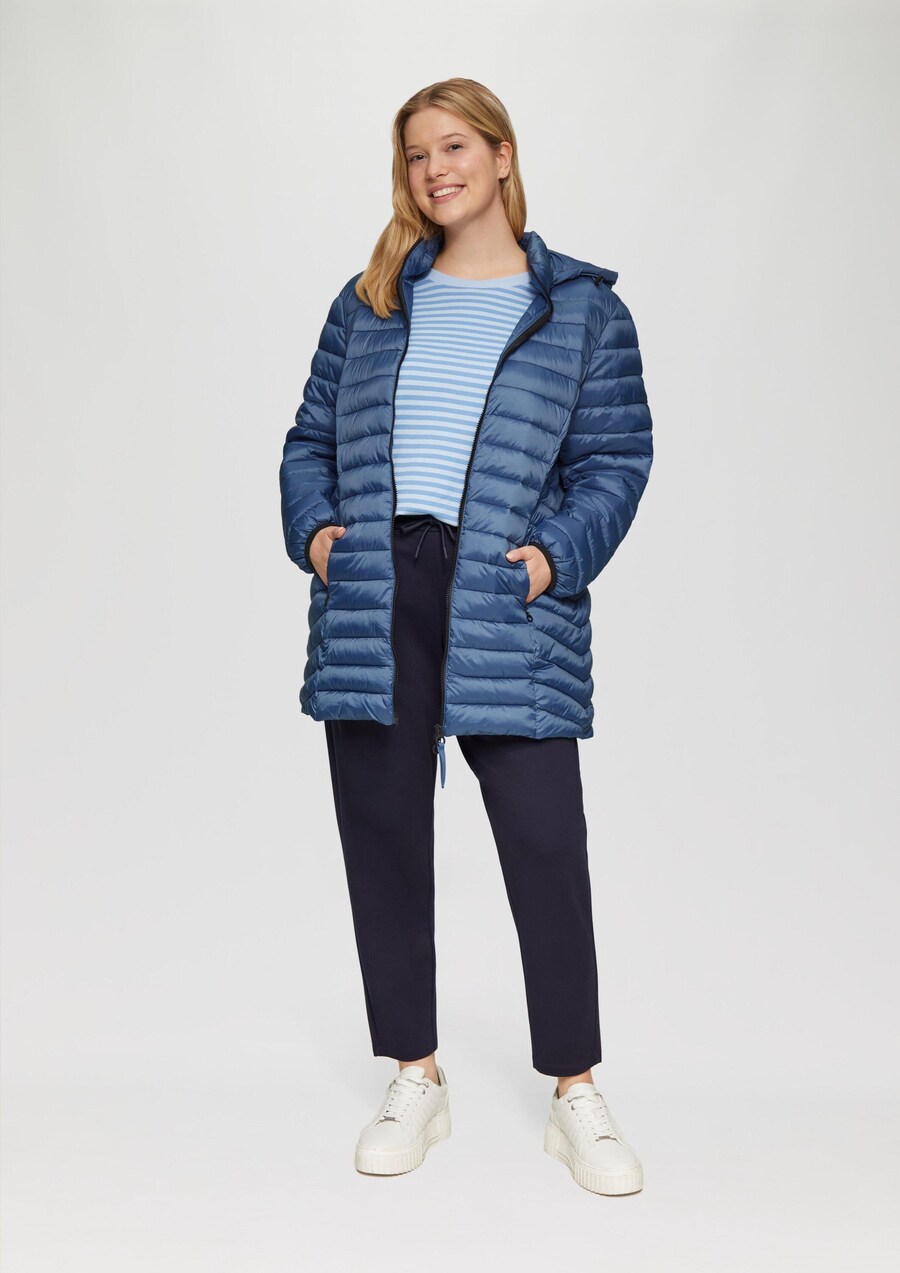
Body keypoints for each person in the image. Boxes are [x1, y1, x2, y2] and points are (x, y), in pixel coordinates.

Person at [279, 77, 653, 1196]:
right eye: (414, 155)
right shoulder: (370, 302)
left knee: (545, 843)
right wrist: (320, 537)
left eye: (452, 147)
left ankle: (575, 1090)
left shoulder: (580, 309)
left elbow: (615, 463)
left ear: (500, 155)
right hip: (375, 586)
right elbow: (306, 441)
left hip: (504, 590)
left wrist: (551, 558)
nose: (433, 170)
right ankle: (416, 1074)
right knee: (383, 835)